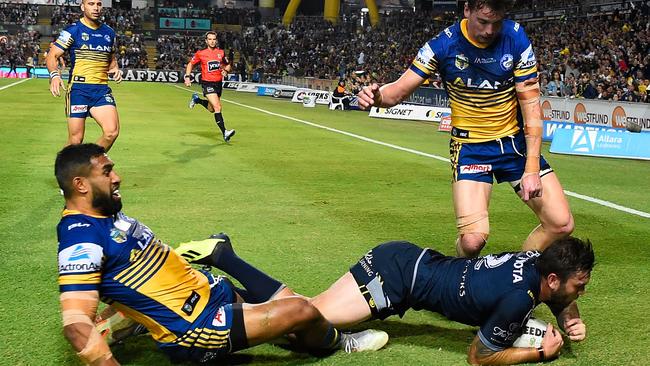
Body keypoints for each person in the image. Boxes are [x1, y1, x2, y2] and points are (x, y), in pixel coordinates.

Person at [55, 143, 387, 365]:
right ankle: (342, 343)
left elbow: (135, 276)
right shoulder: (79, 239)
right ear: (81, 184)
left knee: (292, 317)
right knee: (301, 310)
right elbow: (74, 324)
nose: (117, 177)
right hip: (195, 327)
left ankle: (300, 334)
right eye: (107, 171)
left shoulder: (106, 214)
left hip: (210, 293)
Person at [357, 0, 574, 257]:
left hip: (514, 143)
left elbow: (532, 108)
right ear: (467, 10)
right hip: (471, 147)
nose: (490, 30)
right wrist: (376, 96)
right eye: (483, 22)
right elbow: (397, 92)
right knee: (472, 242)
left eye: (496, 22)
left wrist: (532, 168)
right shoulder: (441, 46)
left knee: (561, 224)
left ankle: (518, 273)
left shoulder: (516, 38)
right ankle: (455, 277)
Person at [310, 237, 594, 364]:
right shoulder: (518, 299)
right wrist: (542, 353)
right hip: (394, 280)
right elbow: (479, 356)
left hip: (404, 257)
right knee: (310, 316)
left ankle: (266, 301)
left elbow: (558, 296)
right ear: (554, 280)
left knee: (310, 308)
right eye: (578, 287)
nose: (580, 294)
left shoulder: (536, 260)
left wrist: (570, 318)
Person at [46, 0, 122, 152]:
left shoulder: (109, 33)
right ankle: (64, 168)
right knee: (75, 140)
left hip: (101, 90)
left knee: (111, 132)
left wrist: (115, 68)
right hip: (78, 90)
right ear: (83, 7)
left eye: (99, 4)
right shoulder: (73, 31)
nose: (96, 8)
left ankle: (88, 163)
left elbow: (111, 57)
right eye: (91, 3)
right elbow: (52, 55)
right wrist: (55, 75)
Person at [185, 31, 235, 142]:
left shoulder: (221, 53)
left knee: (212, 109)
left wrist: (226, 71)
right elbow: (191, 64)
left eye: (214, 39)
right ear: (206, 41)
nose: (212, 41)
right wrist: (187, 76)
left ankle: (197, 100)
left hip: (218, 84)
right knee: (218, 107)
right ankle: (225, 132)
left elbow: (228, 65)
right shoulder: (200, 53)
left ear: (216, 40)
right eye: (210, 39)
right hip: (207, 83)